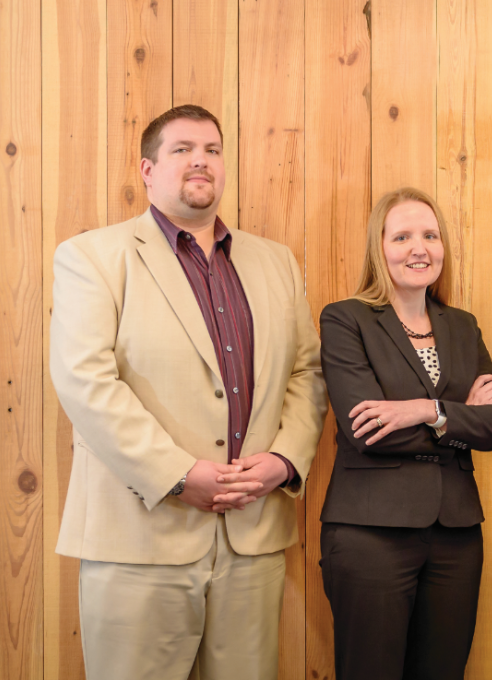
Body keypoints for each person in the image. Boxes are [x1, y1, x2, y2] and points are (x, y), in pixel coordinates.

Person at [49, 105, 327, 680]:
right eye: (182, 150)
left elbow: (307, 373)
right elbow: (85, 379)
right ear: (148, 170)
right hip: (139, 536)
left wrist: (283, 460)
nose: (200, 160)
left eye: (213, 150)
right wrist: (177, 473)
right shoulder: (93, 257)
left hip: (253, 536)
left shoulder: (277, 263)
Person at [318, 187, 492, 680]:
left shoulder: (462, 327)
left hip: (455, 535)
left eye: (430, 235)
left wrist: (422, 410)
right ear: (378, 247)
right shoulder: (347, 320)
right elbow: (367, 430)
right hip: (371, 534)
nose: (419, 248)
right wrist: (456, 417)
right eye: (402, 236)